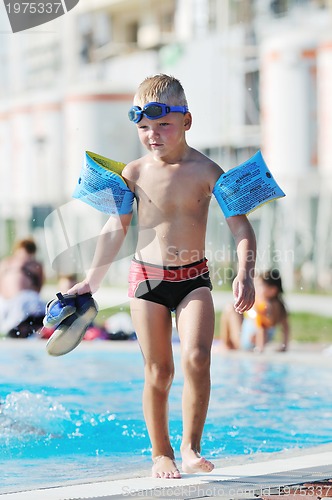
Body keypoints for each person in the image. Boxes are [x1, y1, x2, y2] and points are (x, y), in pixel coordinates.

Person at [66, 74, 256, 478]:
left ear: (187, 121)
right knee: (160, 371)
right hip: (146, 281)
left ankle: (190, 446)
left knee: (198, 359)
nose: (153, 135)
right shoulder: (133, 173)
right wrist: (91, 281)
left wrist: (245, 272)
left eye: (163, 125)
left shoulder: (208, 171)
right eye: (144, 128)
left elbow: (241, 227)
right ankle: (161, 452)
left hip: (194, 280)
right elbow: (114, 229)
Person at [220, 269, 290, 352]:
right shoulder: (280, 306)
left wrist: (260, 348)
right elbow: (285, 327)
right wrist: (284, 346)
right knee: (239, 311)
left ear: (272, 290)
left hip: (246, 341)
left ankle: (226, 344)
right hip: (259, 340)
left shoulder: (263, 305)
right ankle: (229, 343)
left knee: (230, 308)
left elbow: (261, 326)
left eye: (260, 286)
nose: (256, 289)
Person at [0, 238, 45, 337]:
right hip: (17, 302)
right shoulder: (34, 264)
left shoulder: (6, 263)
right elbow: (39, 287)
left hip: (12, 303)